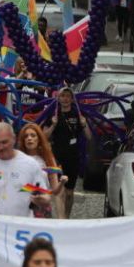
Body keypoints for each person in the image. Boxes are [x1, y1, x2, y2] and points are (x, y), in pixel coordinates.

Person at [0, 122, 50, 217]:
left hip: (21, 226)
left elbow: (46, 198)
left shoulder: (30, 164)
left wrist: (41, 199)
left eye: (4, 142)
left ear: (14, 139)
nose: (0, 147)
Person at [43, 88, 91, 218]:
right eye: (62, 96)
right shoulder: (53, 114)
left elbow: (89, 137)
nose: (65, 98)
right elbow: (44, 136)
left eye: (67, 96)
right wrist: (53, 125)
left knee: (69, 192)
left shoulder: (77, 115)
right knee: (60, 191)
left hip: (73, 157)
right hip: (56, 157)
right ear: (58, 98)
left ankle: (67, 217)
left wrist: (84, 124)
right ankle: (61, 218)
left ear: (71, 99)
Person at [17, 123, 65, 218]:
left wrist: (62, 182)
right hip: (21, 208)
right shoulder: (18, 159)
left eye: (33, 135)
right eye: (26, 136)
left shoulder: (48, 159)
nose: (29, 138)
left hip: (42, 209)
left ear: (39, 139)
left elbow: (55, 191)